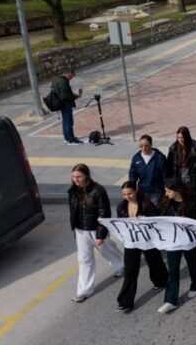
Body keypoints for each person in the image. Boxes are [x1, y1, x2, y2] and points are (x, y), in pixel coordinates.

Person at [68, 164, 124, 303]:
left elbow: (104, 212)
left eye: (79, 176)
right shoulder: (72, 191)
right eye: (74, 177)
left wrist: (100, 234)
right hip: (81, 230)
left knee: (106, 250)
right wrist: (75, 228)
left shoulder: (98, 191)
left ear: (86, 175)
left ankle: (120, 264)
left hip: (95, 229)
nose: (76, 180)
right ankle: (84, 290)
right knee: (84, 259)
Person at [115, 181, 168, 313]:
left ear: (136, 191)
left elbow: (157, 220)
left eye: (130, 193)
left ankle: (161, 280)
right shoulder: (121, 206)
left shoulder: (147, 204)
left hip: (147, 240)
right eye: (124, 194)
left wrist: (146, 219)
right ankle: (126, 301)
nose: (127, 197)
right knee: (130, 271)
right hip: (131, 242)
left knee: (154, 262)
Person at [158, 180, 196, 314]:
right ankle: (170, 300)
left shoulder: (190, 204)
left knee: (193, 263)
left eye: (168, 191)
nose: (166, 194)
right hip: (173, 241)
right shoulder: (165, 202)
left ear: (177, 191)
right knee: (172, 270)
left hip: (189, 240)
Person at [166, 126, 196, 194]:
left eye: (182, 137)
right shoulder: (173, 149)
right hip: (178, 179)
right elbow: (169, 166)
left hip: (192, 180)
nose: (181, 140)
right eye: (179, 137)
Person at [128, 134, 167, 206]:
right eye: (141, 146)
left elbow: (165, 175)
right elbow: (132, 174)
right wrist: (132, 187)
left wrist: (166, 189)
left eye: (146, 146)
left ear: (151, 145)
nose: (143, 148)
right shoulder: (136, 158)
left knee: (154, 211)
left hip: (156, 192)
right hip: (142, 191)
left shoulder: (159, 158)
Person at [52, 68, 82, 145]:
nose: (71, 78)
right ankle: (71, 140)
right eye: (71, 76)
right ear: (68, 73)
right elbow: (65, 96)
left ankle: (66, 138)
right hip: (66, 104)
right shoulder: (63, 82)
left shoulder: (56, 79)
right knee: (69, 122)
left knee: (65, 122)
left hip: (60, 104)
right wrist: (75, 96)